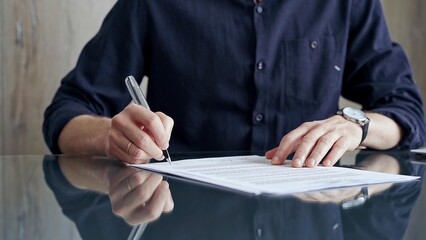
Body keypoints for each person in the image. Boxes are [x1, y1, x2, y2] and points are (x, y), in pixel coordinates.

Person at [44, 1, 425, 171]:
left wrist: (356, 125)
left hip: (310, 217)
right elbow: (67, 111)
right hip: (179, 218)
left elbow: (407, 110)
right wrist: (110, 134)